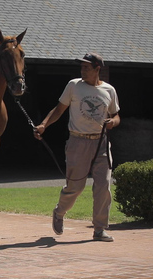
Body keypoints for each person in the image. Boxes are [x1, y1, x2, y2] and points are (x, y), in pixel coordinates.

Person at [33, 52, 120, 242]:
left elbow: (116, 115)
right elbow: (58, 109)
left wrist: (113, 121)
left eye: (86, 67)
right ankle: (59, 211)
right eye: (81, 67)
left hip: (101, 142)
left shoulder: (109, 90)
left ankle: (99, 229)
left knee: (103, 186)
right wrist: (44, 125)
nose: (82, 70)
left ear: (98, 69)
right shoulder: (74, 86)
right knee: (75, 187)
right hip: (77, 141)